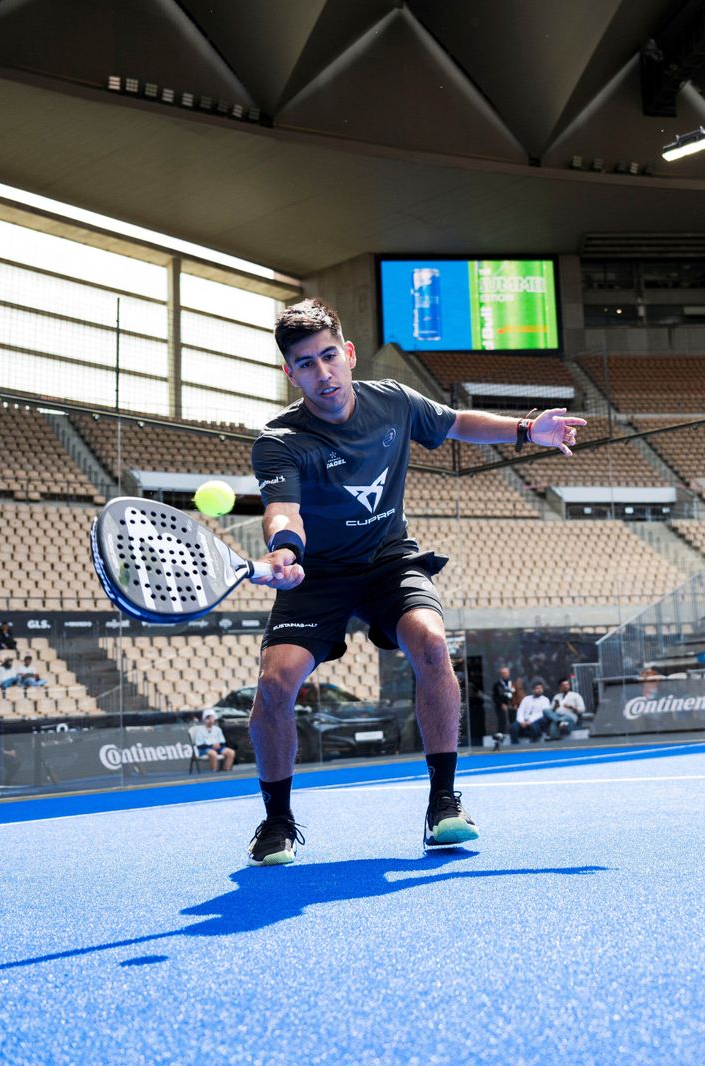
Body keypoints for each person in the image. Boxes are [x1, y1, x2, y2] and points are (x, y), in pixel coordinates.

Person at [242, 299, 585, 864]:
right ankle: (277, 822)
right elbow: (283, 509)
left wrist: (528, 429)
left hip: (387, 561)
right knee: (276, 686)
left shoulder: (393, 402)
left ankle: (444, 804)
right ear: (290, 372)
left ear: (348, 354)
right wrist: (285, 548)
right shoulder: (280, 440)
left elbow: (455, 423)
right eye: (306, 364)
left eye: (330, 356)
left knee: (430, 644)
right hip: (316, 575)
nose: (323, 373)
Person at [509, 679, 551, 744]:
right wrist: (521, 721)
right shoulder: (526, 699)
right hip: (523, 720)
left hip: (536, 721)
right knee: (513, 727)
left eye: (541, 688)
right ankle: (514, 746)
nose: (539, 690)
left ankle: (533, 745)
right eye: (537, 688)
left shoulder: (545, 700)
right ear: (533, 690)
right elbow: (520, 711)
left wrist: (530, 721)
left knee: (534, 727)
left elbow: (542, 713)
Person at [489, 665, 515, 741]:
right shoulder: (497, 684)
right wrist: (501, 704)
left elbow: (516, 694)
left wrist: (515, 704)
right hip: (500, 706)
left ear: (509, 673)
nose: (504, 674)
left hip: (512, 706)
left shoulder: (513, 682)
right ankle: (501, 737)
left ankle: (513, 736)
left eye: (505, 673)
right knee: (502, 721)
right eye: (502, 673)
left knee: (513, 720)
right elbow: (494, 696)